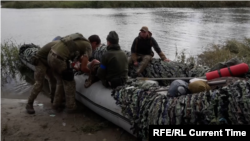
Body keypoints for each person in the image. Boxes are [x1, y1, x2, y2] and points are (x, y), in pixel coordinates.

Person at [47, 33, 95, 113]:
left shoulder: (78, 39)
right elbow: (83, 68)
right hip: (59, 59)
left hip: (50, 56)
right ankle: (71, 107)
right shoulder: (88, 46)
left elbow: (78, 57)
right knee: (70, 83)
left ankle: (56, 104)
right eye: (96, 47)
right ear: (94, 43)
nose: (95, 49)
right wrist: (91, 72)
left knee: (60, 82)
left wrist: (83, 63)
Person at [26, 40, 59, 114]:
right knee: (39, 83)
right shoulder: (60, 46)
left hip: (49, 61)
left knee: (53, 80)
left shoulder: (62, 44)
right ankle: (29, 104)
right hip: (40, 61)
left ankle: (53, 99)